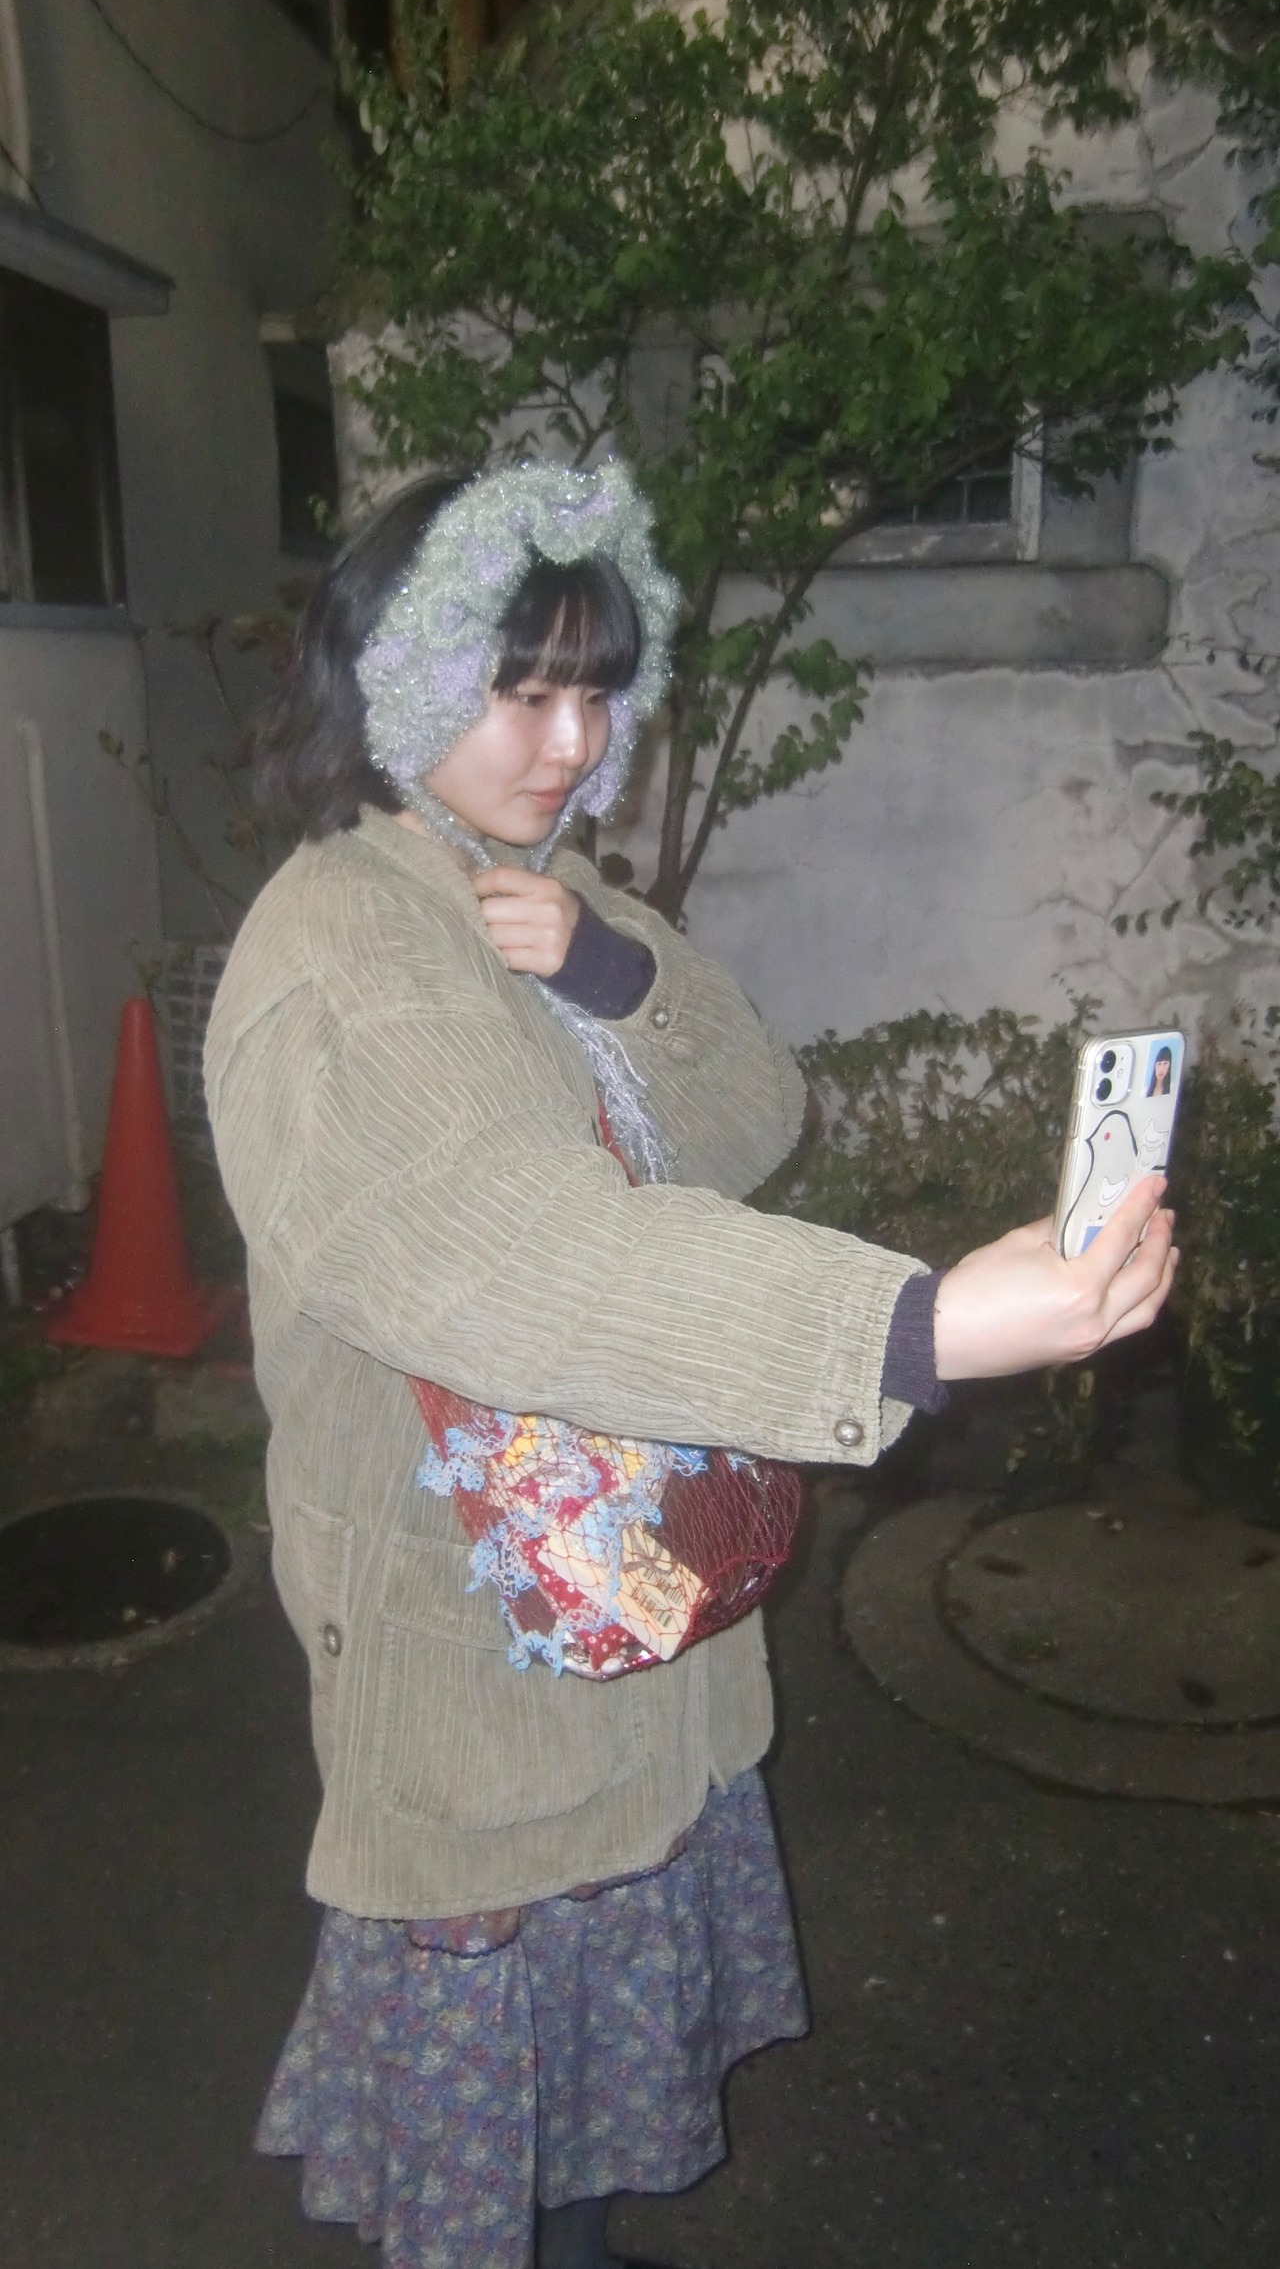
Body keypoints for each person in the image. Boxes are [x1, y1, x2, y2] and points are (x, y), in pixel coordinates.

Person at [205, 462, 1176, 2269]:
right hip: (486, 1664)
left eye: (598, 690)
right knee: (496, 2127)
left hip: (632, 1611)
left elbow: (747, 1113)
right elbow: (517, 1260)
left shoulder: (524, 882)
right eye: (524, 691)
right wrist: (914, 1328)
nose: (576, 742)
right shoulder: (341, 949)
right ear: (398, 675)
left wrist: (609, 971)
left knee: (587, 2083)